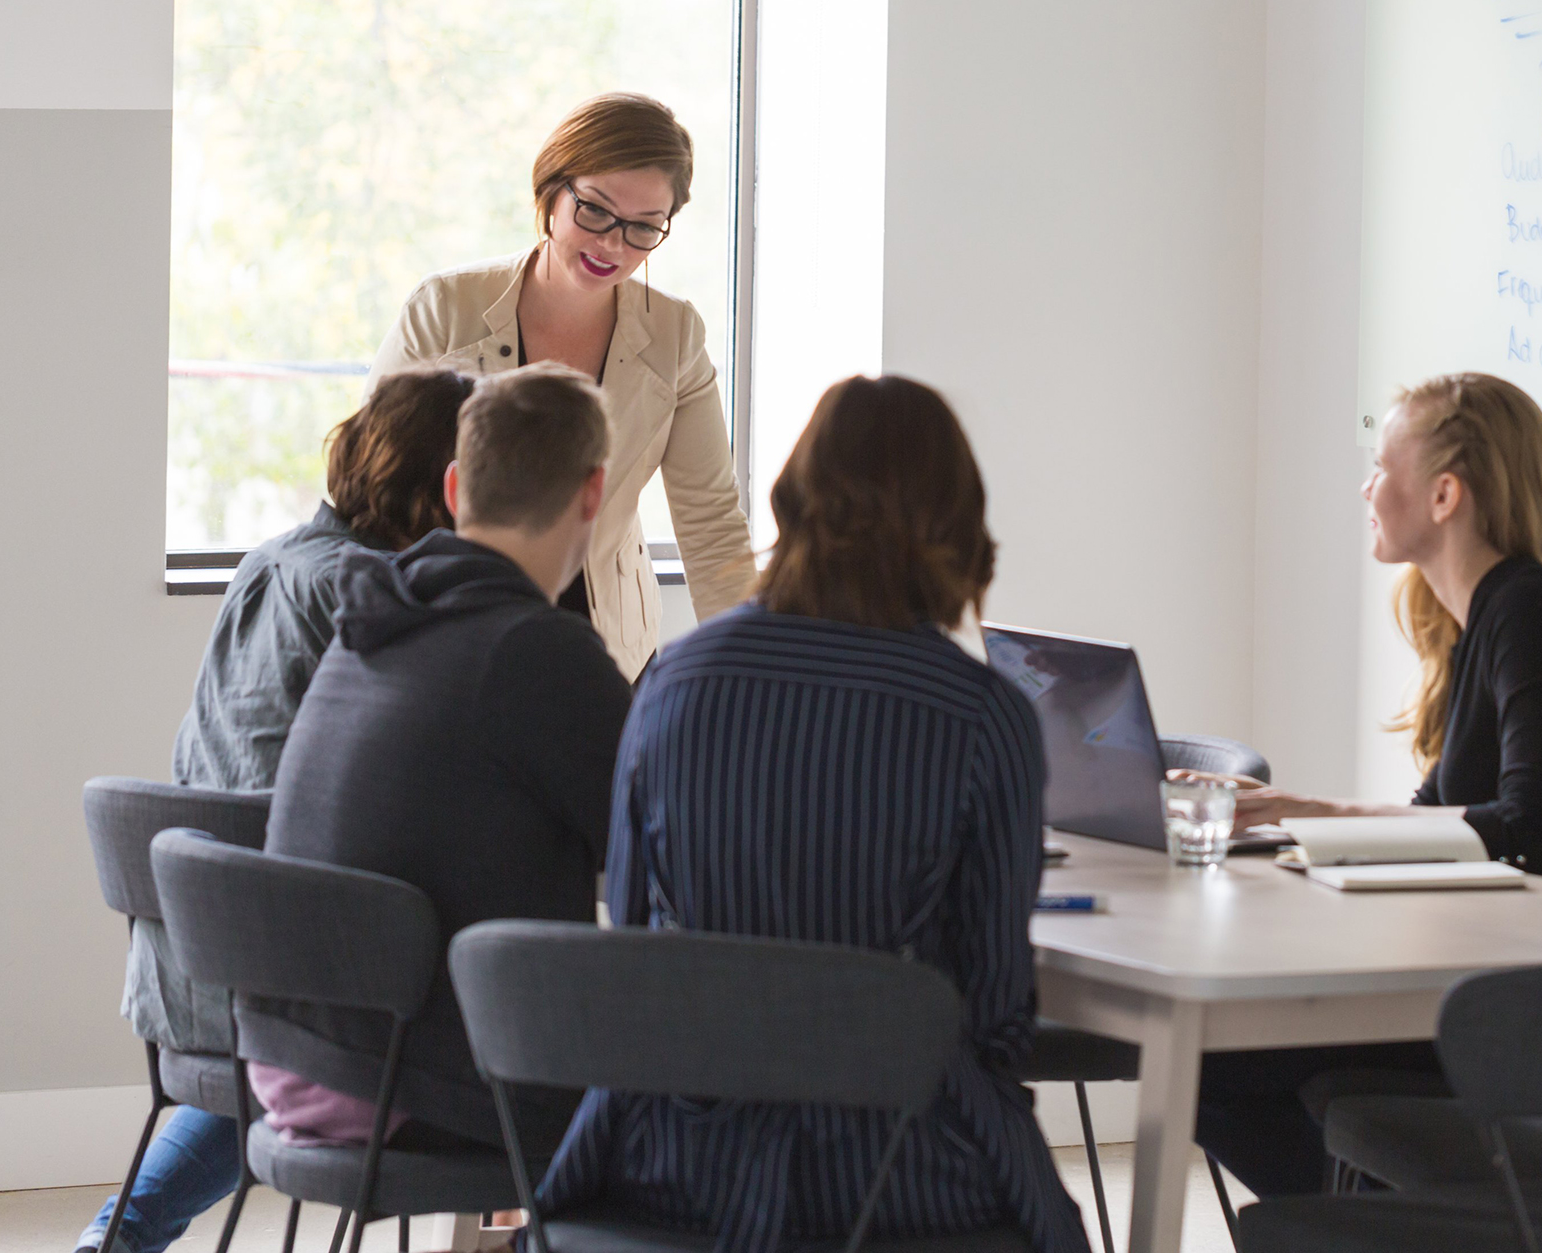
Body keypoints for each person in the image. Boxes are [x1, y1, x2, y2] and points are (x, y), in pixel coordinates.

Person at [537, 376, 1091, 1253]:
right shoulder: (983, 716)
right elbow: (992, 1012)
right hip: (900, 1167)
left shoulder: (673, 683)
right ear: (956, 521)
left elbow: (636, 946)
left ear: (791, 501)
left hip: (674, 1157)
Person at [76, 368, 475, 1253]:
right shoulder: (373, 592)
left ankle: (116, 1236)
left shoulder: (272, 560)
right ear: (451, 482)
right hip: (287, 980)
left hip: (189, 967)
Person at [1188, 371, 1542, 1198]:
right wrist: (1283, 832)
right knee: (1208, 1063)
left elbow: (1533, 828)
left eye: (1382, 465)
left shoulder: (1533, 610)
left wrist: (1310, 811)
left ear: (1445, 494)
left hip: (1520, 1009)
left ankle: (1380, 1226)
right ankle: (1377, 1221)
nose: (1366, 487)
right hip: (1474, 980)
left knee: (1207, 1063)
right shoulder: (1482, 622)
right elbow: (1439, 820)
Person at [249, 363, 632, 1156]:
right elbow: (662, 846)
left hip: (297, 1055)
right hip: (411, 1082)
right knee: (710, 1077)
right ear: (592, 494)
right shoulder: (538, 650)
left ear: (456, 488)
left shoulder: (372, 619)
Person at [367, 91, 753, 678]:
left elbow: (711, 522)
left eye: (644, 228)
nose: (613, 245)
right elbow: (373, 490)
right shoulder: (444, 309)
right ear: (551, 192)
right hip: (450, 639)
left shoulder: (675, 334)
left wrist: (751, 671)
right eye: (595, 211)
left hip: (605, 654)